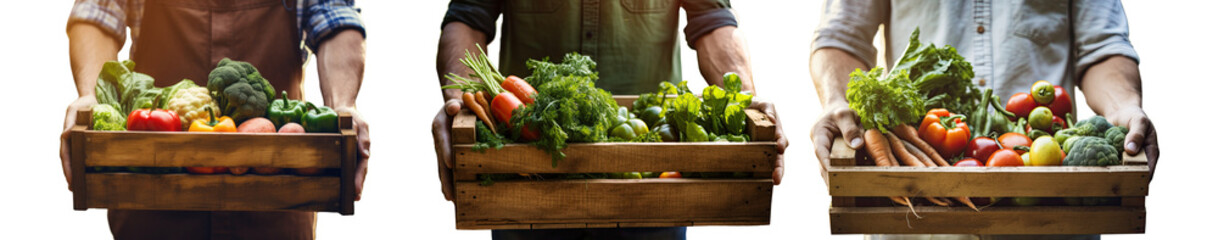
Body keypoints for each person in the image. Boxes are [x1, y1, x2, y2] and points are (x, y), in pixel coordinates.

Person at [432, 0, 787, 239]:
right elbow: (467, 16)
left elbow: (713, 21)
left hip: (654, 187)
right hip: (528, 174)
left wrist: (743, 99)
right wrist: (459, 100)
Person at [810, 1, 1158, 239]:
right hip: (917, 214)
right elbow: (842, 36)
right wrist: (836, 101)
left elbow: (1102, 46)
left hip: (1047, 209)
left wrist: (1123, 106)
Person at [59, 0, 371, 239]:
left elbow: (336, 19)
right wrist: (90, 95)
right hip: (152, 203)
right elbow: (96, 14)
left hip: (274, 203)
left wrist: (344, 105)